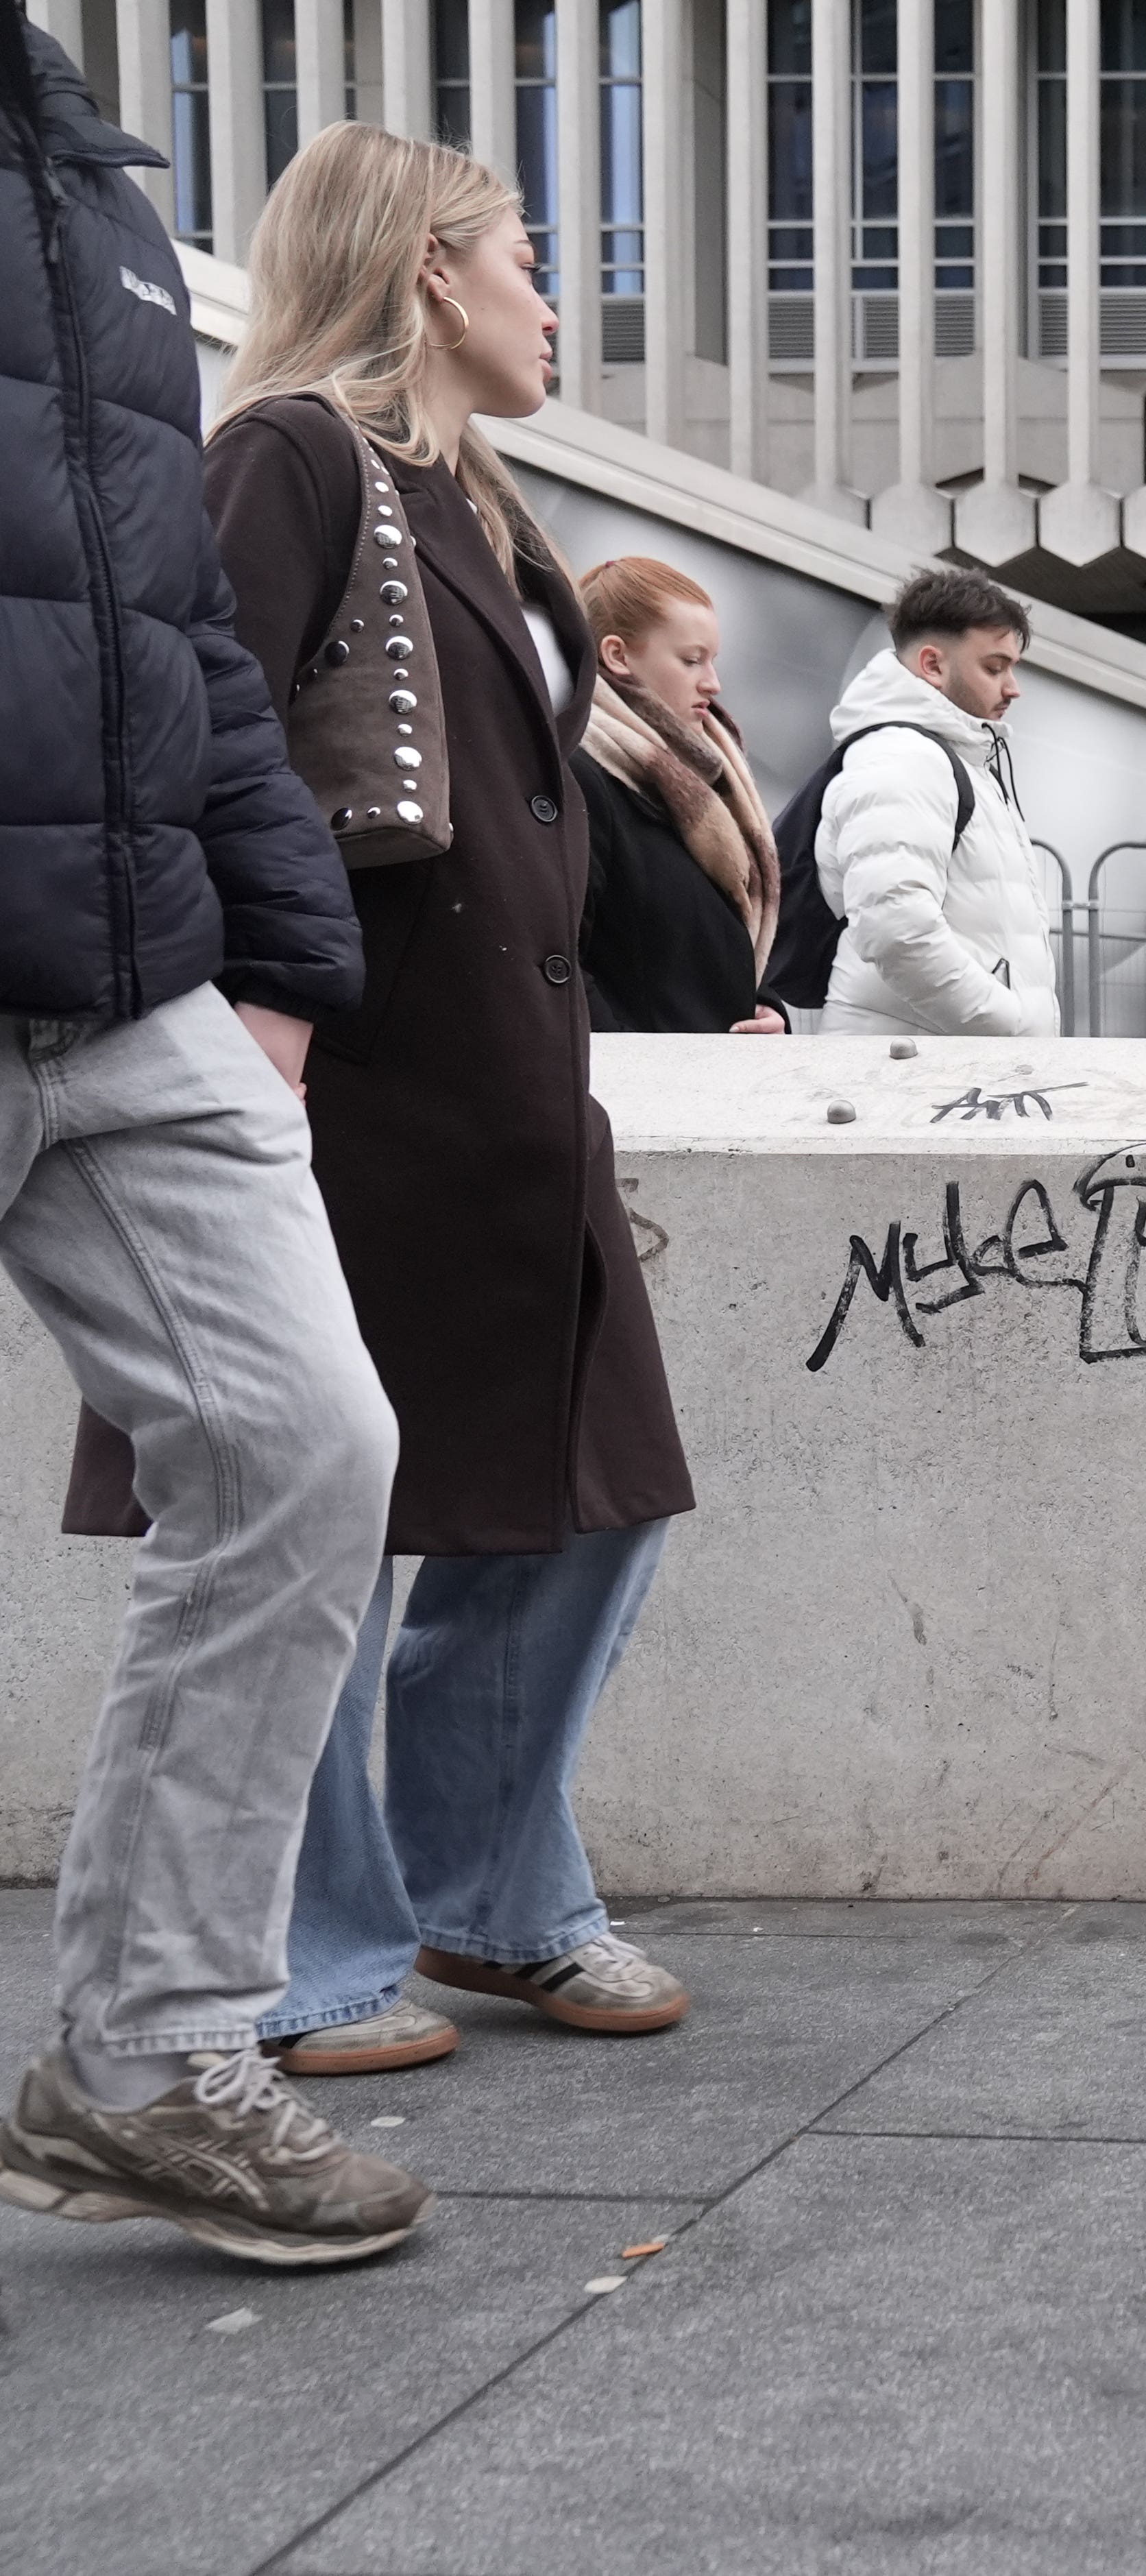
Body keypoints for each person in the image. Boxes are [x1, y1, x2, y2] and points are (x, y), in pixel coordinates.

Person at [65, 121, 702, 2078]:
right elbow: (190, 744)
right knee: (333, 1510)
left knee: (587, 1495)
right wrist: (263, 1012)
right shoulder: (289, 456)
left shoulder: (487, 500)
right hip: (347, 1080)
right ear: (427, 267)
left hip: (506, 1086)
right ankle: (327, 1952)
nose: (549, 293)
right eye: (522, 253)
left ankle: (487, 1897)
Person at [0, 29, 426, 2265]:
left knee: (301, 1448)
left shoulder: (92, 198)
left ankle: (154, 2062)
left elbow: (170, 622)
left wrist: (276, 948)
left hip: (134, 972)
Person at [818, 566, 1058, 1039]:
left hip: (935, 1065)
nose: (1012, 688)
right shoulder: (904, 757)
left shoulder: (954, 756)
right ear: (932, 665)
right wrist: (1005, 1021)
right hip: (910, 1071)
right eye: (994, 667)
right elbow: (895, 928)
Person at [574, 555, 783, 1035]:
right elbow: (560, 961)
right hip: (646, 1095)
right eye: (691, 660)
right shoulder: (582, 778)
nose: (713, 683)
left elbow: (730, 934)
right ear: (618, 656)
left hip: (718, 1083)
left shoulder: (711, 776)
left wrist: (769, 1011)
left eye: (712, 660)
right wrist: (645, 1069)